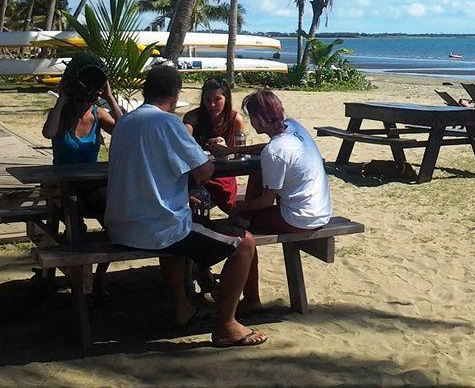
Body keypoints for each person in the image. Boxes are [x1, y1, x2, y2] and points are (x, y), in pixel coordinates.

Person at [105, 65, 266, 347]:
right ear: (175, 93)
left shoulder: (126, 123)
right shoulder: (167, 123)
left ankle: (182, 308)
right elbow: (204, 171)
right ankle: (226, 325)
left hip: (120, 226)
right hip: (157, 229)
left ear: (146, 91)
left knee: (178, 234)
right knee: (245, 244)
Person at [211, 89, 331, 314]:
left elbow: (266, 201)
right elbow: (266, 149)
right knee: (257, 183)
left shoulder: (276, 152)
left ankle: (251, 297)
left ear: (257, 120)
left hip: (299, 218)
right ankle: (242, 222)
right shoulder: (294, 127)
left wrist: (240, 207)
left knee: (243, 232)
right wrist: (234, 149)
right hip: (320, 210)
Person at [41, 56, 123, 300]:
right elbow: (48, 133)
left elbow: (127, 128)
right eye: (78, 99)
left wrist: (109, 98)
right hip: (63, 185)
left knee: (115, 222)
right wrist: (62, 99)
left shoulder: (97, 114)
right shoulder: (62, 115)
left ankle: (98, 279)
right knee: (76, 228)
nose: (82, 105)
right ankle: (80, 284)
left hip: (91, 184)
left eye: (86, 99)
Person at [183, 77, 246, 214]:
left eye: (217, 99)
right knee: (194, 197)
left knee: (226, 197)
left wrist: (227, 150)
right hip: (199, 173)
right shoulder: (193, 118)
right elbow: (183, 147)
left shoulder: (236, 120)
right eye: (207, 100)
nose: (212, 105)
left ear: (226, 99)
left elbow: (239, 154)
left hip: (224, 174)